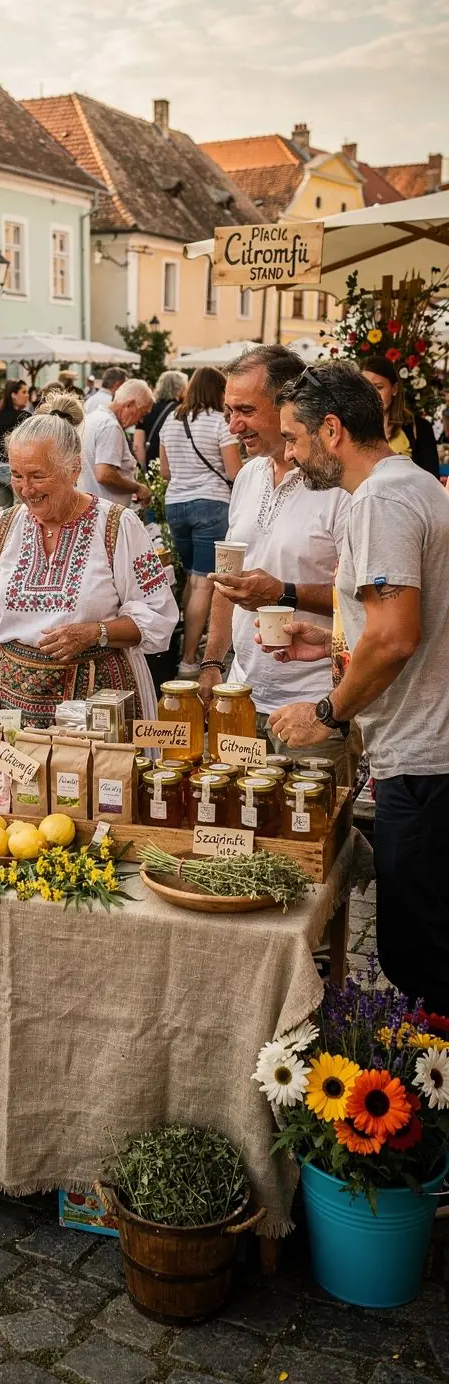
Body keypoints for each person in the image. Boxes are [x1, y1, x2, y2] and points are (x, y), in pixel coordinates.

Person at [266, 360, 449, 1010]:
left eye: (293, 437)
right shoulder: (412, 482)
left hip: (425, 762)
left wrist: (328, 712)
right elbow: (402, 625)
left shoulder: (380, 499)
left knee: (421, 960)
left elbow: (397, 636)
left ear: (332, 430)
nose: (287, 453)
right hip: (426, 751)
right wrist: (335, 641)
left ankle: (427, 1097)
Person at [0, 393, 179, 727]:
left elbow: (158, 616)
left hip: (100, 708)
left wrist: (95, 632)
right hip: (12, 710)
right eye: (16, 475)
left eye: (37, 475)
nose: (25, 489)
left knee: (100, 780)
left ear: (74, 470)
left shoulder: (116, 526)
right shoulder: (1, 528)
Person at [198, 344, 353, 780]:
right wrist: (213, 662)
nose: (233, 425)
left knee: (313, 838)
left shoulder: (338, 484)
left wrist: (283, 590)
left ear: (290, 404)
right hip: (244, 697)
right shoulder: (248, 476)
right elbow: (229, 579)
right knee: (244, 832)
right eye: (229, 411)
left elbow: (366, 602)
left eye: (245, 410)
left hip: (314, 705)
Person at [159, 367, 242, 676]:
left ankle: (186, 644)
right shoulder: (219, 423)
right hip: (211, 504)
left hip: (176, 505)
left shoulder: (172, 419)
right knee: (203, 583)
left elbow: (165, 472)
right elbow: (234, 472)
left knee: (191, 579)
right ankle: (190, 658)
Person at [360, 354, 439, 478]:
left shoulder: (420, 428)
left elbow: (431, 481)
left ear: (394, 389)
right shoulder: (353, 428)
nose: (372, 395)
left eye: (379, 387)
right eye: (365, 388)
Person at [78, 379, 153, 509]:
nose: (141, 420)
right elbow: (105, 474)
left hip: (92, 507)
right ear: (130, 405)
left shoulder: (94, 418)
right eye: (143, 413)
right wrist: (138, 488)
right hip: (104, 513)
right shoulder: (110, 426)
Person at [134, 369, 188, 470]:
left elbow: (137, 445)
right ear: (180, 389)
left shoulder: (147, 408)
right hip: (171, 467)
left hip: (150, 465)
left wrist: (143, 469)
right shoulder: (181, 410)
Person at [0, 379, 28, 507]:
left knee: (3, 512)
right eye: (24, 392)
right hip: (13, 468)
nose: (27, 395)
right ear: (13, 394)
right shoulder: (24, 417)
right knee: (25, 508)